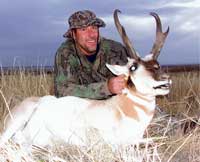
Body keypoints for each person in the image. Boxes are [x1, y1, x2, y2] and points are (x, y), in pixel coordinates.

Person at [54, 10, 130, 99]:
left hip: (114, 107)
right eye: (83, 29)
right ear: (73, 34)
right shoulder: (65, 54)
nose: (91, 35)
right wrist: (107, 88)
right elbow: (62, 91)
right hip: (82, 109)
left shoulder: (116, 49)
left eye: (94, 28)